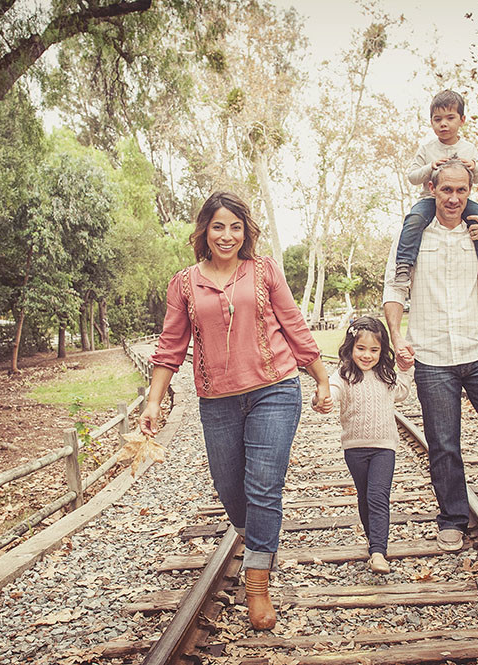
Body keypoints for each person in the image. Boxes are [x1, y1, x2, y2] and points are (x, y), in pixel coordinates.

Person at [140, 192, 332, 630]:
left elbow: (293, 324)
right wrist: (154, 402)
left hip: (275, 390)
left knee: (264, 485)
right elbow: (170, 348)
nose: (227, 235)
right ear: (204, 231)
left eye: (235, 227)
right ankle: (260, 540)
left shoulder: (263, 270)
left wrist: (320, 376)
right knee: (231, 490)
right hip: (218, 401)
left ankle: (258, 583)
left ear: (245, 232)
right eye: (218, 226)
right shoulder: (184, 283)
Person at [383, 160, 478, 553]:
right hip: (431, 354)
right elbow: (394, 290)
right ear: (432, 189)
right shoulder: (412, 235)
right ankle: (452, 517)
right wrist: (397, 337)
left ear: (469, 191)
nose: (454, 199)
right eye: (447, 190)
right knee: (443, 443)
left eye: (462, 191)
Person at [311, 316, 412, 574]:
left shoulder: (387, 375)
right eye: (361, 349)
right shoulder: (344, 376)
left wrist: (406, 367)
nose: (367, 355)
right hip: (354, 448)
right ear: (351, 348)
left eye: (374, 350)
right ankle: (373, 540)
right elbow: (329, 391)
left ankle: (378, 551)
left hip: (384, 447)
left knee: (379, 496)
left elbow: (403, 391)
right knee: (365, 496)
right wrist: (321, 399)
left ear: (382, 350)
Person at [394, 89, 478, 292]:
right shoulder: (427, 149)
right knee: (414, 219)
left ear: (462, 120)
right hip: (430, 199)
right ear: (432, 122)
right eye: (437, 119)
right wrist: (430, 167)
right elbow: (412, 177)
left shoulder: (468, 148)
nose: (443, 124)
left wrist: (473, 167)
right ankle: (404, 265)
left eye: (450, 118)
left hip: (460, 199)